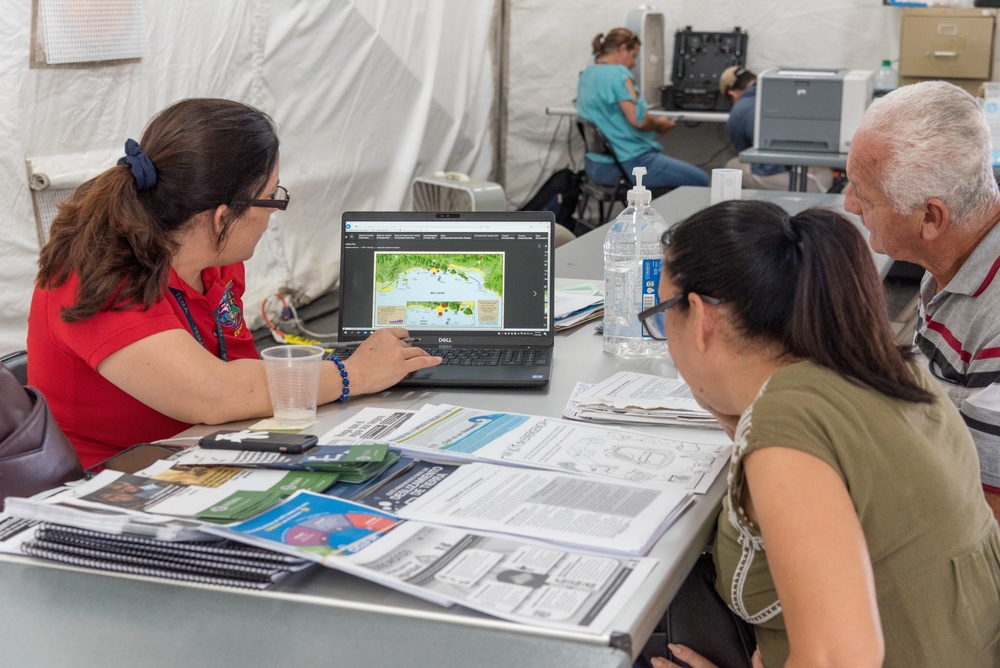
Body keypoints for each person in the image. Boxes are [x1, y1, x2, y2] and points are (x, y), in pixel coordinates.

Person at [640, 200, 1000, 667]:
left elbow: (839, 659)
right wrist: (738, 415)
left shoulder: (787, 424)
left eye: (662, 313)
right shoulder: (891, 372)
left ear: (701, 317)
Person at [28, 98, 441, 469]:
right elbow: (216, 393)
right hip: (113, 485)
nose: (275, 210)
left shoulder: (215, 262)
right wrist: (351, 373)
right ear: (222, 217)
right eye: (272, 197)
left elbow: (240, 373)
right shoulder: (95, 275)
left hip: (201, 453)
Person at [844, 79, 1000, 523]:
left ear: (931, 217)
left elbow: (987, 514)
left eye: (864, 194)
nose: (849, 204)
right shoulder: (955, 257)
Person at [576, 28, 709, 191]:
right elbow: (638, 120)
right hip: (628, 164)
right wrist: (659, 125)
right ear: (623, 48)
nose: (633, 64)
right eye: (634, 56)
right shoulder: (618, 74)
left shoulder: (586, 75)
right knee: (700, 180)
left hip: (595, 167)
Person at [718, 65, 832, 193]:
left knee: (731, 167)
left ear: (732, 93)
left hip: (800, 182)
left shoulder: (740, 108)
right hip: (825, 175)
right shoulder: (785, 94)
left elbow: (747, 155)